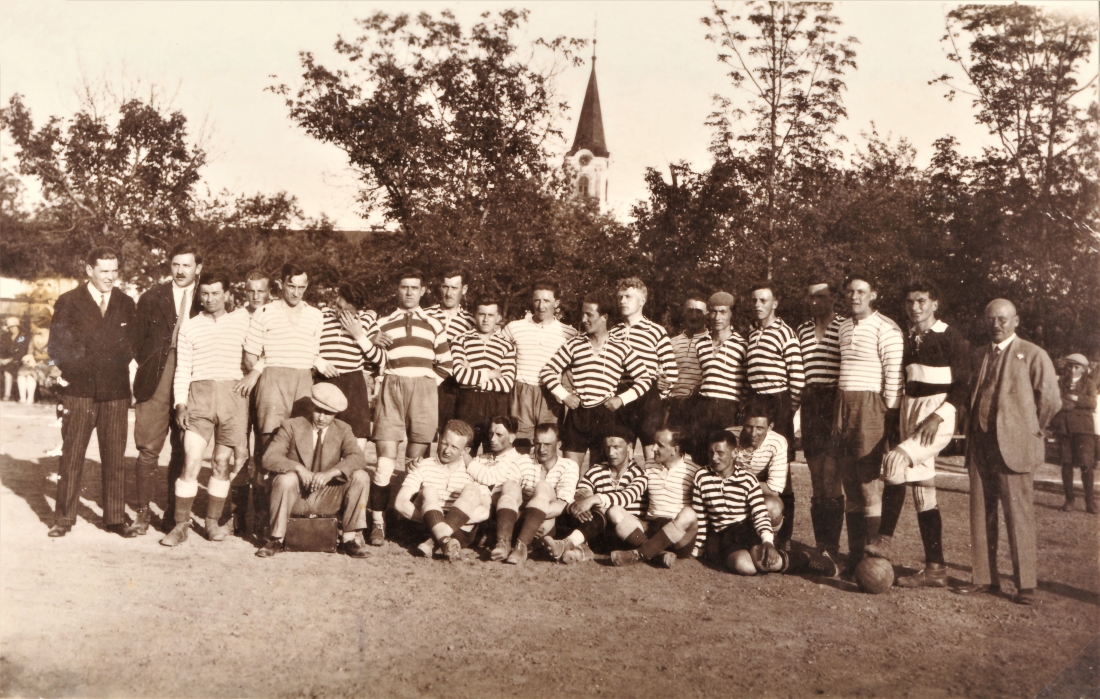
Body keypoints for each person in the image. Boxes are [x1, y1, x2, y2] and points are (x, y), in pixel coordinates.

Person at [864, 282, 971, 588]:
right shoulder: (906, 336)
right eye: (910, 302)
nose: (915, 307)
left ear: (934, 303)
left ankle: (883, 539)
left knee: (895, 462)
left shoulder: (949, 335)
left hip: (938, 415)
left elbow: (963, 385)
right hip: (911, 412)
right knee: (924, 492)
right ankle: (935, 569)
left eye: (922, 301)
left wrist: (938, 417)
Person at [957, 299, 1060, 605]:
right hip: (981, 446)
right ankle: (984, 579)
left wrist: (1030, 431)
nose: (996, 324)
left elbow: (1051, 401)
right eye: (991, 319)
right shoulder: (979, 355)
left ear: (1016, 321)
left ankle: (1025, 585)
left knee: (1018, 516)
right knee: (981, 513)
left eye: (1003, 319)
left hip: (1014, 447)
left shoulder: (1032, 354)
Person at [46, 247, 137, 538]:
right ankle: (64, 518)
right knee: (72, 455)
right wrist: (91, 364)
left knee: (114, 456)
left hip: (115, 390)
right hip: (79, 390)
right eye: (104, 271)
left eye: (114, 271)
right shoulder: (68, 302)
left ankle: (114, 518)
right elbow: (58, 347)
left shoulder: (126, 303)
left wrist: (107, 362)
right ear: (89, 270)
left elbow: (131, 345)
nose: (110, 277)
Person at [160, 269, 252, 546]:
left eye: (216, 293)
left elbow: (260, 351)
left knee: (222, 463)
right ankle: (180, 525)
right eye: (205, 293)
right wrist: (180, 403)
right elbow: (183, 369)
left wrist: (253, 373)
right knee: (191, 460)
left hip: (233, 396)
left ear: (226, 294)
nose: (210, 299)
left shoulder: (243, 320)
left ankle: (212, 522)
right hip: (199, 398)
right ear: (199, 295)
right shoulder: (190, 326)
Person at [363, 267, 453, 546]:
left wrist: (426, 385)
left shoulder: (434, 323)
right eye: (404, 287)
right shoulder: (382, 322)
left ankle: (406, 524)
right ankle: (378, 523)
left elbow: (446, 365)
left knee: (415, 464)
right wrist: (369, 339)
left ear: (424, 290)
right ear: (397, 289)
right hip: (392, 387)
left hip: (424, 390)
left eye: (415, 287)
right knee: (384, 463)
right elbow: (369, 358)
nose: (410, 292)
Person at [242, 263, 329, 536]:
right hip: (272, 379)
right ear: (281, 284)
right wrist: (265, 369)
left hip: (303, 380)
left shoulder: (316, 315)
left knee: (300, 443)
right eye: (291, 285)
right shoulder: (265, 312)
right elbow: (250, 357)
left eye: (302, 286)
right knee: (269, 446)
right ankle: (261, 518)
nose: (296, 291)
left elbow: (312, 352)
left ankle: (292, 516)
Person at [132, 243, 204, 534]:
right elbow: (137, 342)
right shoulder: (151, 297)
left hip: (194, 374)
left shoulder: (208, 296)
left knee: (183, 446)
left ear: (197, 268)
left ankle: (174, 513)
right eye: (176, 264)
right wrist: (155, 369)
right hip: (157, 376)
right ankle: (141, 514)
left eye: (187, 265)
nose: (180, 270)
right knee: (149, 447)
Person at [833, 274, 903, 573]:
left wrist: (887, 418)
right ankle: (853, 554)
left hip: (871, 408)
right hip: (843, 404)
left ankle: (872, 556)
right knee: (849, 484)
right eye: (849, 291)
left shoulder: (886, 328)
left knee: (868, 485)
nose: (854, 297)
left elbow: (894, 378)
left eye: (861, 291)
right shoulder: (843, 326)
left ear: (873, 295)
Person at [692, 431, 835, 576]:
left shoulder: (748, 479)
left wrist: (767, 541)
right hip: (723, 535)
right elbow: (700, 516)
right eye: (711, 453)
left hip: (747, 530)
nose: (714, 458)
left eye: (720, 453)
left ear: (734, 453)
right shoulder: (701, 477)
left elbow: (760, 514)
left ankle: (806, 558)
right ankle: (762, 557)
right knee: (745, 566)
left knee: (766, 562)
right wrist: (699, 549)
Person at [255, 383, 372, 558]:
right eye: (318, 410)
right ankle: (276, 539)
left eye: (329, 413)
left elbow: (358, 458)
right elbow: (270, 457)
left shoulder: (343, 429)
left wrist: (332, 473)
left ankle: (349, 539)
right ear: (311, 406)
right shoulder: (291, 426)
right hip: (296, 494)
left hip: (328, 495)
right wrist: (298, 469)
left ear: (336, 414)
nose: (322, 417)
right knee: (286, 479)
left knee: (361, 476)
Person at [540, 292, 652, 467]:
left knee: (600, 474)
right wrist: (564, 395)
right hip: (578, 414)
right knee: (570, 472)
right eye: (582, 314)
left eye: (589, 314)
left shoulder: (621, 346)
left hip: (606, 416)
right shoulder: (574, 345)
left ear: (604, 317)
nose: (584, 319)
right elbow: (547, 371)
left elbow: (645, 379)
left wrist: (621, 399)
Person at [744, 282, 805, 545]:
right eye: (755, 300)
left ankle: (785, 536)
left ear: (775, 304)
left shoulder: (785, 333)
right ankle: (755, 528)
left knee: (781, 470)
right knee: (751, 461)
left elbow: (798, 379)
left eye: (764, 300)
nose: (758, 305)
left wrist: (787, 412)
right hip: (755, 402)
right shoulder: (751, 334)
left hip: (778, 402)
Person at [544, 426, 647, 565]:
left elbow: (626, 497)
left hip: (628, 536)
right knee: (578, 511)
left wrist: (593, 499)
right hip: (600, 533)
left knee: (606, 509)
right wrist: (583, 507)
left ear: (629, 446)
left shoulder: (639, 474)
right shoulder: (596, 470)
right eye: (607, 447)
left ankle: (571, 545)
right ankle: (580, 550)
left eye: (616, 447)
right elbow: (580, 493)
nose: (611, 453)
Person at [796, 280, 846, 561]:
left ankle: (834, 546)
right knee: (816, 478)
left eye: (822, 296)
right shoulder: (802, 330)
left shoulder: (843, 327)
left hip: (834, 401)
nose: (816, 301)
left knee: (831, 475)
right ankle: (821, 546)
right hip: (810, 402)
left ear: (833, 298)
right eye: (811, 296)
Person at [394, 420, 490, 561]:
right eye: (444, 443)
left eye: (454, 447)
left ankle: (438, 540)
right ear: (439, 439)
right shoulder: (423, 465)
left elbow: (486, 510)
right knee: (429, 491)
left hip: (461, 531)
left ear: (465, 450)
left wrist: (443, 525)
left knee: (471, 491)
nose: (447, 450)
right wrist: (433, 521)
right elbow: (400, 503)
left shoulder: (474, 470)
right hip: (425, 526)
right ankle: (444, 540)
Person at [501, 281, 578, 450]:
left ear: (556, 303)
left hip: (550, 393)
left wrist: (565, 392)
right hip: (521, 392)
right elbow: (497, 353)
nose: (541, 306)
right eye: (537, 300)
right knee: (520, 444)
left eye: (546, 301)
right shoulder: (514, 327)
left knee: (547, 445)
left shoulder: (568, 333)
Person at [609, 426, 700, 568]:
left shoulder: (693, 471)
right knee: (615, 511)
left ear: (674, 450)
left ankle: (639, 554)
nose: (653, 449)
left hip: (677, 534)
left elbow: (700, 512)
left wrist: (698, 546)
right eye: (654, 443)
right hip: (652, 528)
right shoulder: (649, 466)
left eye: (660, 445)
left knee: (689, 514)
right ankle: (657, 555)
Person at [611, 278, 678, 460]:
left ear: (642, 301)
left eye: (628, 297)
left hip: (648, 399)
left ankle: (653, 487)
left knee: (652, 451)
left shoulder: (655, 331)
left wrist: (662, 391)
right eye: (620, 297)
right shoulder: (612, 333)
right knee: (621, 451)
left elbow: (671, 370)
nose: (623, 301)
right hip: (621, 398)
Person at [503, 422, 581, 566]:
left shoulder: (568, 466)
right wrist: (531, 521)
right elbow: (509, 493)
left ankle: (522, 545)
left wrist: (532, 520)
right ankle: (521, 544)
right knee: (510, 485)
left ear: (558, 445)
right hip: (524, 519)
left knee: (543, 487)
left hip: (550, 521)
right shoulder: (522, 461)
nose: (542, 449)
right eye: (538, 443)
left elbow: (561, 505)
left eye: (548, 444)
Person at [451, 294, 517, 454]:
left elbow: (507, 383)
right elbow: (460, 376)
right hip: (468, 401)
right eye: (482, 314)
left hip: (496, 402)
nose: (486, 319)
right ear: (474, 315)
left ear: (499, 317)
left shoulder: (507, 345)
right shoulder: (460, 340)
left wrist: (472, 375)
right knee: (464, 449)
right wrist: (491, 374)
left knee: (495, 450)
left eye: (491, 315)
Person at [318, 281, 378, 453]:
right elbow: (305, 345)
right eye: (337, 305)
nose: (338, 312)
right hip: (325, 380)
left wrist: (359, 335)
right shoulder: (322, 317)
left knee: (356, 436)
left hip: (353, 383)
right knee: (321, 433)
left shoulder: (366, 321)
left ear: (357, 310)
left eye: (345, 311)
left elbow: (381, 359)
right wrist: (318, 362)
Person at [464, 415, 529, 561]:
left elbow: (488, 477)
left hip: (506, 517)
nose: (492, 439)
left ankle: (503, 543)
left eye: (499, 435)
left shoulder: (518, 459)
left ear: (512, 438)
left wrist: (465, 457)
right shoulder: (483, 458)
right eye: (491, 434)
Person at [692, 291, 747, 464]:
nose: (717, 317)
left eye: (723, 312)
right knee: (701, 454)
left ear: (731, 313)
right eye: (714, 312)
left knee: (724, 456)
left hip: (728, 408)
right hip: (703, 406)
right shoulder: (700, 343)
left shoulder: (742, 344)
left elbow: (745, 383)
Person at [426, 268, 476, 430]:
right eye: (445, 287)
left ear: (464, 289)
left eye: (454, 288)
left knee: (450, 430)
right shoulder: (425, 315)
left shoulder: (471, 321)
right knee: (423, 431)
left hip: (453, 384)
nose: (449, 293)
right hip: (427, 379)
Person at [737, 403, 790, 539]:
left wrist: (738, 483)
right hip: (730, 493)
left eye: (760, 428)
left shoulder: (777, 442)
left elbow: (774, 489)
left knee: (773, 507)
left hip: (754, 492)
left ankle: (769, 543)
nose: (753, 434)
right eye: (749, 427)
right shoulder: (730, 436)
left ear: (770, 427)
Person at [1053, 353, 1096, 513]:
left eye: (1076, 367)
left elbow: (1092, 402)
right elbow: (1055, 401)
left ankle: (1090, 501)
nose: (1072, 369)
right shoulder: (1060, 382)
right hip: (1064, 429)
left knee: (1086, 465)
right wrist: (1070, 404)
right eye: (1070, 366)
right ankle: (1069, 500)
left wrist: (1075, 398)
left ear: (1083, 369)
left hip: (1083, 430)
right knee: (1066, 464)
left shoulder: (1089, 383)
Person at [666, 294, 707, 455]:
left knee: (696, 454)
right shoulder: (672, 342)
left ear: (707, 314)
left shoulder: (712, 341)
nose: (694, 315)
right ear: (684, 312)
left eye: (698, 311)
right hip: (674, 406)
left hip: (698, 407)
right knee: (672, 453)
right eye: (690, 311)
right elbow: (664, 372)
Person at [1, 316, 29, 401]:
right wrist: (1, 359)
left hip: (18, 361)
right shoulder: (6, 337)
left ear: (18, 327)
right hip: (5, 360)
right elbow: (1, 349)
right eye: (10, 327)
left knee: (8, 371)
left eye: (14, 327)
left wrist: (8, 360)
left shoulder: (22, 337)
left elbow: (21, 352)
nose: (12, 329)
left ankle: (7, 395)